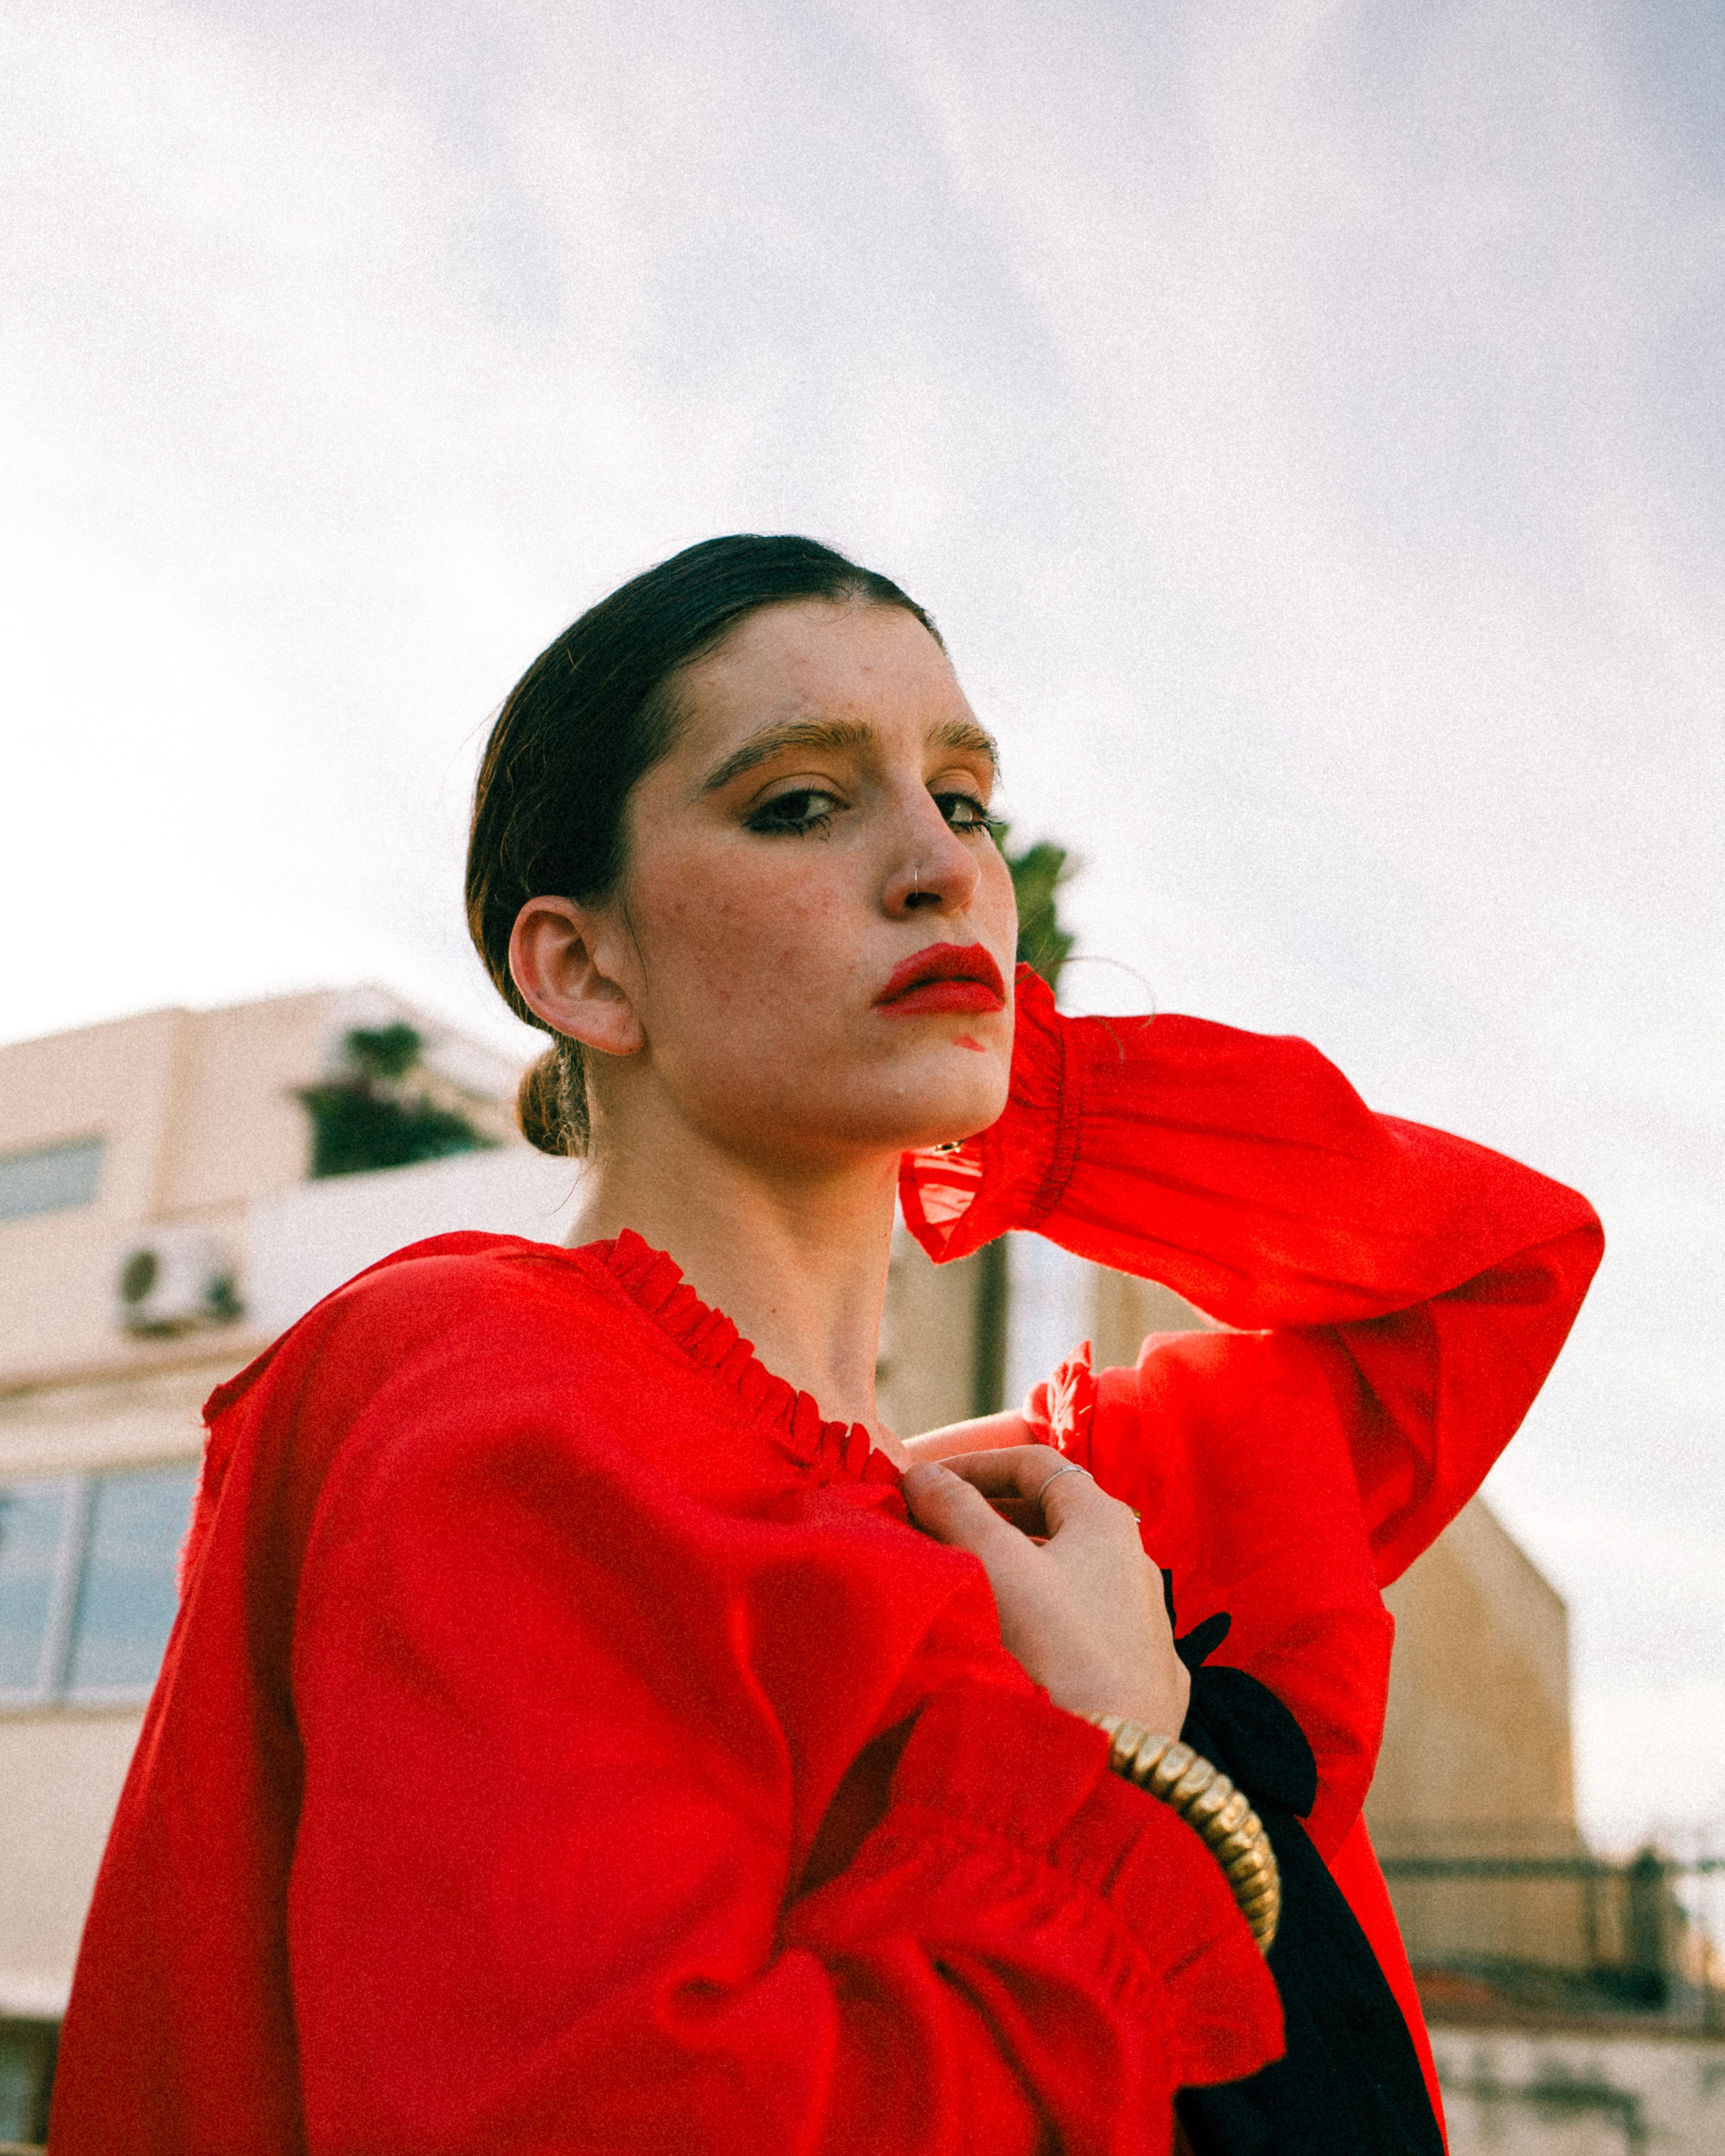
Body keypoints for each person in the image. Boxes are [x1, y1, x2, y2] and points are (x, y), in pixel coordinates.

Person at [50, 536, 1602, 2155]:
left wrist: (1027, 1113)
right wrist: (1109, 1773)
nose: (939, 864)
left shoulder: (1064, 1525)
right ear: (581, 963)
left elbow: (1490, 1268)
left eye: (964, 802)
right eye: (799, 802)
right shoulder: (491, 1384)